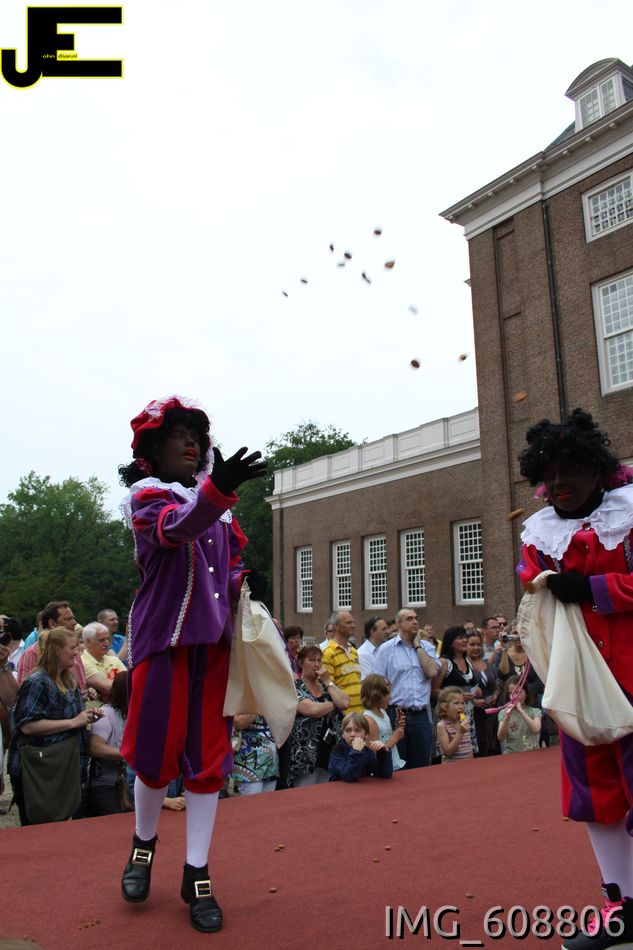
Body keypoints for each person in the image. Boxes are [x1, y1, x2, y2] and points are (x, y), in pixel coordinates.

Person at [117, 395, 267, 934]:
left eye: (196, 438)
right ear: (153, 452)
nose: (191, 444)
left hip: (213, 647)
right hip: (163, 643)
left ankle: (197, 872)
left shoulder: (219, 513)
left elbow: (223, 568)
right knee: (155, 754)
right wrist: (217, 490)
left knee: (207, 762)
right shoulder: (148, 499)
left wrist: (243, 580)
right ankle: (143, 845)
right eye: (178, 437)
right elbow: (174, 529)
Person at [518, 408, 633, 949]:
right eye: (549, 472)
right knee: (596, 794)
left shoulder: (629, 514)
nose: (559, 482)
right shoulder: (539, 533)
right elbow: (533, 585)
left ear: (595, 468)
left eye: (570, 469)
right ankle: (621, 905)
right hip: (581, 682)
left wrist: (594, 589)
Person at [8, 627, 100, 825]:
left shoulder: (67, 678)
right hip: (41, 769)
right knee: (40, 830)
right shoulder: (37, 681)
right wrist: (74, 722)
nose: (77, 652)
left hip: (62, 765)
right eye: (72, 647)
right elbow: (27, 726)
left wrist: (85, 714)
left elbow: (62, 714)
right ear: (56, 651)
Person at [373, 607, 440, 768]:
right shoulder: (386, 649)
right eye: (409, 619)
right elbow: (377, 683)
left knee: (422, 767)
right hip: (396, 715)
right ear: (398, 624)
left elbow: (432, 671)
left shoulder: (427, 647)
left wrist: (418, 647)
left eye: (416, 618)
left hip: (421, 716)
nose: (415, 622)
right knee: (398, 767)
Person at [288, 644, 349, 787]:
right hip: (305, 756)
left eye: (319, 660)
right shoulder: (295, 686)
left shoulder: (326, 685)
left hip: (330, 753)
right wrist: (334, 704)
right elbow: (311, 710)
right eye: (312, 660)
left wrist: (328, 681)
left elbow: (345, 702)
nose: (316, 664)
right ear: (301, 663)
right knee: (306, 795)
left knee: (327, 793)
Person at [432, 626, 481, 755]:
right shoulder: (444, 663)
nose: (465, 640)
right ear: (451, 642)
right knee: (451, 750)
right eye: (460, 638)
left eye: (465, 637)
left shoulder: (468, 661)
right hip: (449, 716)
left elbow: (471, 682)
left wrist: (476, 691)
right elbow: (434, 690)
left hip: (467, 714)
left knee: (466, 751)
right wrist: (458, 697)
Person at [87, 670, 129, 816]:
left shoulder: (135, 713)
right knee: (117, 821)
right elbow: (95, 748)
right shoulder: (106, 714)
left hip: (129, 781)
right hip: (105, 784)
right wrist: (129, 754)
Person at [328, 712, 393, 782]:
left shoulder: (367, 752)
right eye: (348, 730)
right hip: (339, 787)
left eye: (357, 730)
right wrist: (356, 752)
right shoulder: (337, 751)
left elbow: (384, 774)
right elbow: (349, 776)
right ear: (343, 734)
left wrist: (383, 752)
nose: (352, 734)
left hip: (361, 788)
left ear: (366, 734)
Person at [360, 674, 405, 770]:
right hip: (383, 769)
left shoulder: (383, 712)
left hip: (393, 764)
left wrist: (397, 729)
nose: (390, 697)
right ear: (376, 696)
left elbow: (385, 736)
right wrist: (395, 738)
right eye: (387, 694)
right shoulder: (369, 719)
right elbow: (375, 752)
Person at [466, 631, 500, 757]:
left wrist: (496, 694)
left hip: (491, 714)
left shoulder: (488, 664)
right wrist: (475, 702)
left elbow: (496, 685)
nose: (476, 648)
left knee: (493, 749)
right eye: (472, 644)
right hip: (474, 715)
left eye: (478, 644)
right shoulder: (464, 666)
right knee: (480, 751)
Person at [321, 610, 362, 712]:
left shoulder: (353, 651)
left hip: (360, 713)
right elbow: (327, 687)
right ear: (336, 626)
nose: (353, 625)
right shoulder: (328, 653)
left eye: (353, 622)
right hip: (344, 715)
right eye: (348, 623)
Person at [230, 715, 279, 795]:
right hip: (249, 762)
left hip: (271, 761)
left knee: (269, 801)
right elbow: (238, 723)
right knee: (251, 801)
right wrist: (257, 707)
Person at [496, 676, 541, 754]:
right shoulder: (503, 712)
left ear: (526, 693)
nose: (514, 696)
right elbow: (501, 737)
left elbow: (536, 729)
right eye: (511, 693)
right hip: (512, 754)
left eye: (518, 692)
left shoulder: (534, 711)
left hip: (532, 753)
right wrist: (507, 717)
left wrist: (521, 711)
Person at [82, 622, 127, 698]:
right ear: (88, 642)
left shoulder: (114, 659)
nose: (107, 643)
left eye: (108, 639)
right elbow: (108, 688)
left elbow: (130, 682)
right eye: (101, 640)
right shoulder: (83, 662)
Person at [436, 686, 473, 763]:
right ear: (445, 707)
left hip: (468, 765)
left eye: (462, 703)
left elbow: (469, 748)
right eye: (456, 703)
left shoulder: (463, 722)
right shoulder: (442, 726)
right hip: (452, 767)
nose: (461, 706)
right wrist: (460, 732)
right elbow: (447, 752)